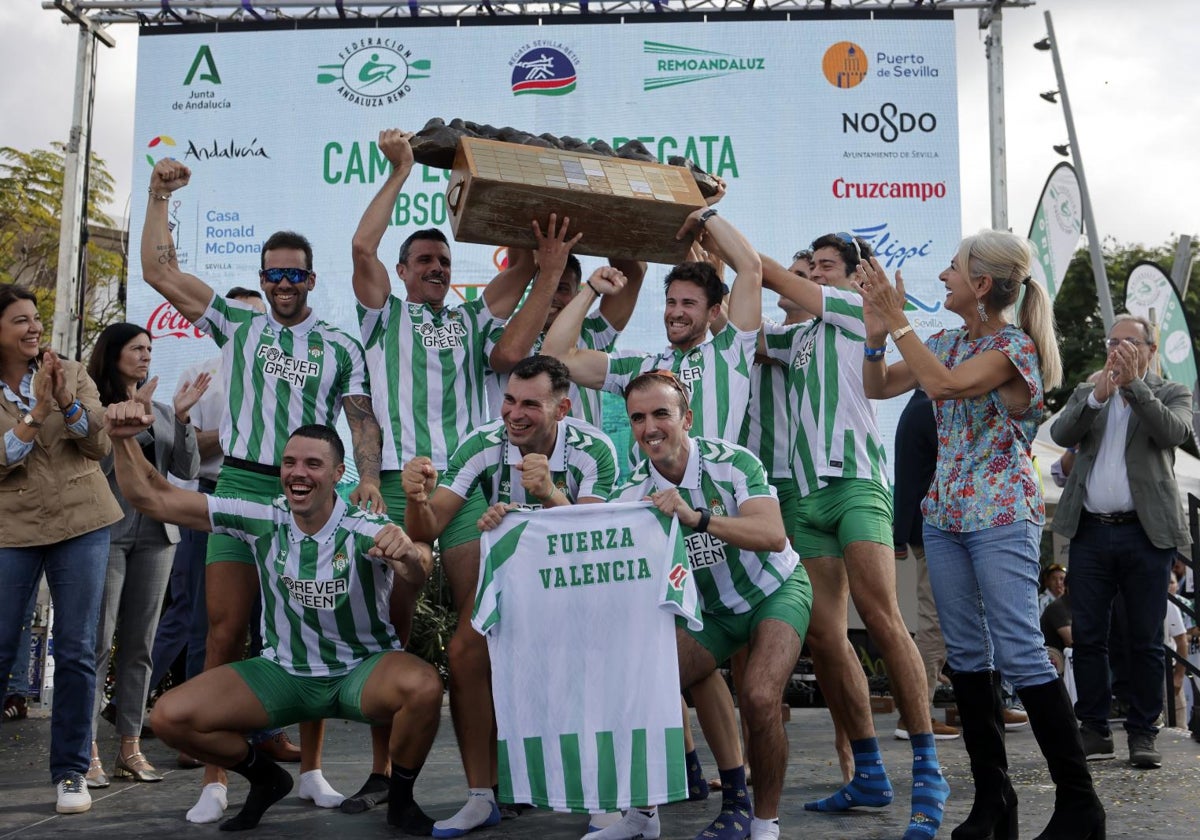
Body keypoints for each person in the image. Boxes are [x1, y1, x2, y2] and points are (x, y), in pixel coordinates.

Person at [142, 158, 383, 821]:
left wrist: (365, 478)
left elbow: (361, 419)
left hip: (311, 486)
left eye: (294, 274)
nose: (282, 283)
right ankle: (215, 781)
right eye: (271, 273)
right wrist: (160, 194)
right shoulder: (238, 326)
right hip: (246, 478)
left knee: (314, 624)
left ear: (310, 279)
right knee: (221, 632)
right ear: (261, 280)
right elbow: (159, 273)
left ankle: (309, 772)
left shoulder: (338, 344)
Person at [857, 230, 1104, 840]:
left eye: (952, 268)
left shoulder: (1013, 347)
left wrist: (899, 321)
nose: (942, 276)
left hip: (999, 513)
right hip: (944, 514)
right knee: (967, 658)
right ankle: (995, 802)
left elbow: (942, 386)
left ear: (982, 285)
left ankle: (1080, 806)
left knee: (1019, 650)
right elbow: (878, 385)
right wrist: (875, 333)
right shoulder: (944, 340)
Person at [104, 411, 443, 833]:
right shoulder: (265, 515)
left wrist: (409, 556)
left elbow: (419, 568)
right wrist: (122, 440)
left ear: (339, 473)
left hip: (360, 674)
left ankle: (402, 800)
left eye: (313, 464)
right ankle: (266, 779)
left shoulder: (364, 525)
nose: (298, 474)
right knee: (172, 716)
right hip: (285, 676)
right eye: (290, 463)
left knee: (424, 685)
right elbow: (155, 498)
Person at [349, 128, 540, 829]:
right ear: (402, 272)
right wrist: (401, 170)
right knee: (387, 637)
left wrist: (509, 185)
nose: (435, 267)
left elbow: (524, 268)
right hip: (395, 488)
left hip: (462, 492)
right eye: (423, 260)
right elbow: (362, 248)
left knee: (478, 636)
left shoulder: (467, 315)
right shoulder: (381, 316)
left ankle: (486, 787)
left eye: (443, 260)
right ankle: (383, 776)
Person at [756, 233, 948, 840]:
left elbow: (771, 277)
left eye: (826, 267)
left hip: (857, 484)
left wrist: (710, 225)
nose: (815, 275)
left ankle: (928, 772)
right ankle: (868, 771)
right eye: (813, 267)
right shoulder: (796, 336)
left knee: (883, 617)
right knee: (825, 634)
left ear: (857, 277)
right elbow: (747, 336)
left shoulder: (851, 310)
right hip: (805, 499)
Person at [597, 370, 809, 840]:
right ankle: (642, 816)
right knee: (638, 689)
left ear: (687, 418)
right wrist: (520, 515)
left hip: (773, 591)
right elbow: (591, 540)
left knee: (757, 696)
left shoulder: (732, 462)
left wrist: (697, 518)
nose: (649, 427)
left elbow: (773, 537)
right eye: (637, 417)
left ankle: (764, 823)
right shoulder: (632, 493)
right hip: (709, 613)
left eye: (660, 414)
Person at [0, 285, 123, 815]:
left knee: (76, 651)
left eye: (35, 319)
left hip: (83, 523)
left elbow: (99, 444)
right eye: (19, 321)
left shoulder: (70, 371)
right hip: (13, 527)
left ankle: (72, 772)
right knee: (2, 648)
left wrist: (66, 403)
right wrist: (35, 414)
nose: (33, 328)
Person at [1050, 312, 1193, 769]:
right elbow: (1060, 433)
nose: (1118, 350)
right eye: (1112, 342)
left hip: (1145, 534)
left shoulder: (1171, 392)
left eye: (1129, 342)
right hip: (1091, 531)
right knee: (1089, 635)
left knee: (1145, 637)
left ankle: (1142, 733)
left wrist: (1134, 386)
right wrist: (1097, 396)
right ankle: (1093, 729)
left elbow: (1174, 432)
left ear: (1150, 350)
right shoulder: (1091, 391)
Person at [147, 288, 268, 772]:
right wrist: (240, 428)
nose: (252, 328)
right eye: (241, 318)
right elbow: (185, 442)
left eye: (257, 318)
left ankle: (265, 728)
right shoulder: (201, 373)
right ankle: (199, 730)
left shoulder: (289, 374)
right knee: (207, 621)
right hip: (213, 496)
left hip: (278, 501)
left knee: (271, 624)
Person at [83, 322, 205, 788]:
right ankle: (86, 750)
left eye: (150, 349)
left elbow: (187, 469)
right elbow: (95, 469)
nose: (146, 356)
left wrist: (183, 418)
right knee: (97, 642)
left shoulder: (160, 409)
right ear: (113, 354)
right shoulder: (94, 411)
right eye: (136, 348)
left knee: (140, 647)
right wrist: (122, 428)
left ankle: (129, 748)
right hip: (107, 532)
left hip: (158, 537)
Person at [543, 205, 761, 446]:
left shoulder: (730, 353)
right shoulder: (638, 366)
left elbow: (750, 268)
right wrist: (591, 291)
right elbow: (555, 357)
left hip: (713, 484)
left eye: (688, 303)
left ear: (714, 312)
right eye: (671, 302)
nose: (676, 312)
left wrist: (706, 214)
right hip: (653, 486)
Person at [891, 388, 960, 743]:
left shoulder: (916, 408)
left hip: (925, 530)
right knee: (937, 624)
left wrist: (899, 533)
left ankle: (981, 704)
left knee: (942, 622)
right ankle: (915, 715)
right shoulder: (931, 411)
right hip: (937, 530)